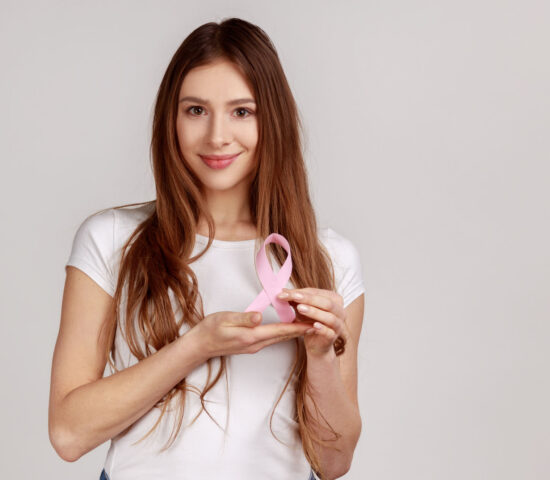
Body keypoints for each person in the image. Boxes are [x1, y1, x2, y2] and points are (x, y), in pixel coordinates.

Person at [48, 17, 366, 480]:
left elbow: (334, 463)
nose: (217, 136)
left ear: (271, 120)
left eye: (242, 111)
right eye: (196, 110)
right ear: (171, 119)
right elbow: (68, 434)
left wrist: (320, 357)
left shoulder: (330, 259)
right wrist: (197, 346)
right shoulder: (111, 239)